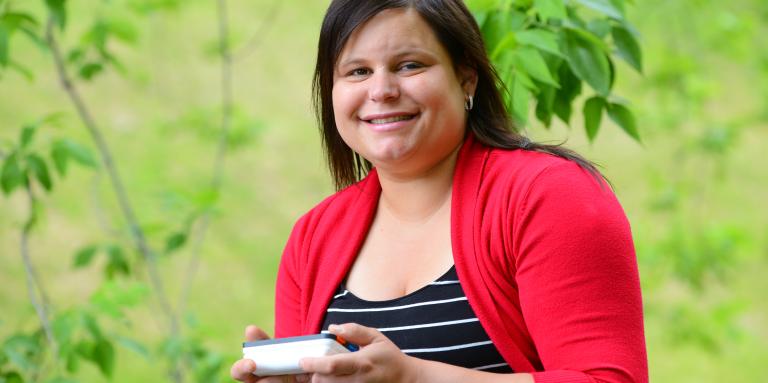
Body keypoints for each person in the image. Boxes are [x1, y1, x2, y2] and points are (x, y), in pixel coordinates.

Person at [232, 0, 648, 382]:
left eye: (409, 65)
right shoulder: (314, 238)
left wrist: (415, 378)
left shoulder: (547, 196)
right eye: (357, 71)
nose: (381, 91)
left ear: (466, 77)